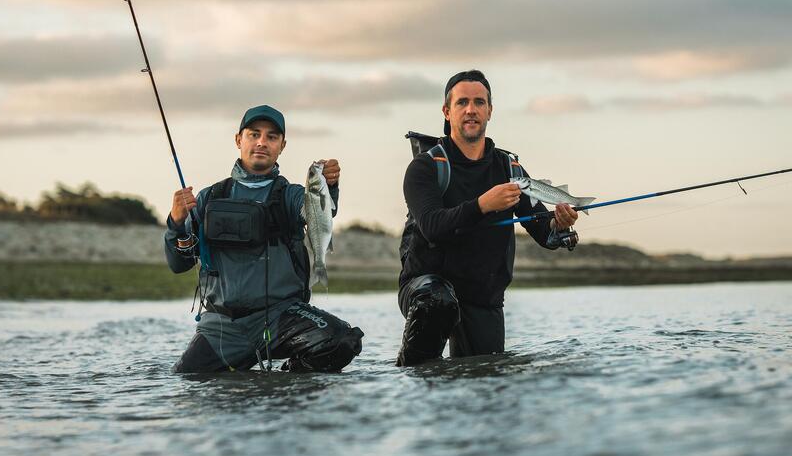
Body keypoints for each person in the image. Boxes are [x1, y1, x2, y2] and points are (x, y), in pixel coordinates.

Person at [396, 70, 579, 366]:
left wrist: (559, 224)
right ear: (447, 111)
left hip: (483, 296)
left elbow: (542, 230)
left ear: (490, 111)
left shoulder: (509, 168)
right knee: (437, 308)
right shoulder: (425, 167)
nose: (471, 109)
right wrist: (482, 204)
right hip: (427, 289)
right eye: (462, 102)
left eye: (479, 102)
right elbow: (431, 227)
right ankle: (414, 375)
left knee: (486, 376)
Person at [165, 104, 363, 373]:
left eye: (271, 137)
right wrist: (176, 223)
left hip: (282, 317)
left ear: (282, 145)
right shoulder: (209, 197)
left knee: (342, 341)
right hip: (222, 327)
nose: (262, 142)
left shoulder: (292, 195)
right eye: (254, 134)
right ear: (239, 140)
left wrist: (328, 186)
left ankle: (287, 381)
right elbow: (180, 263)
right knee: (184, 379)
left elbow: (318, 212)